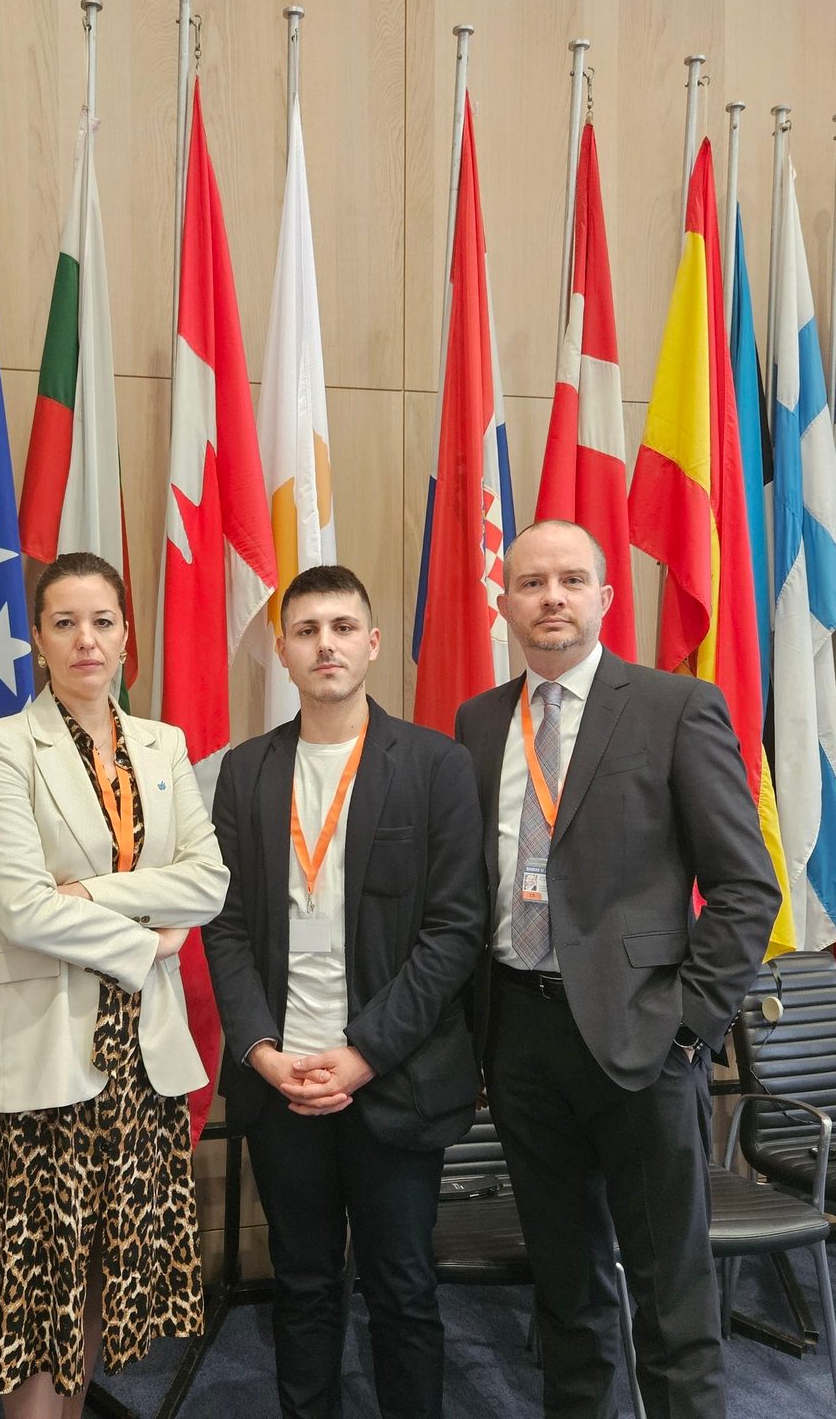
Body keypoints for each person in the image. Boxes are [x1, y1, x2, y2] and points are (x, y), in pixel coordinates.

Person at [456, 519, 779, 1419]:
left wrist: (689, 1024)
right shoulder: (480, 721)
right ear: (505, 602)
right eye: (530, 583)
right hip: (518, 1035)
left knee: (671, 1291)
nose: (549, 597)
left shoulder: (677, 705)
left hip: (643, 1035)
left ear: (604, 597)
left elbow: (748, 887)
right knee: (566, 1286)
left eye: (570, 580)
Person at [203, 565, 486, 1419]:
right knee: (303, 1286)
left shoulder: (438, 766)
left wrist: (362, 1054)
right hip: (280, 1077)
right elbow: (225, 928)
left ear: (370, 644)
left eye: (341, 626)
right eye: (305, 630)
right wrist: (259, 1050)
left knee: (403, 1289)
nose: (324, 643)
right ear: (282, 652)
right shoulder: (244, 773)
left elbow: (453, 932)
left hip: (393, 1076)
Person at [0, 551, 229, 1418]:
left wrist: (91, 897)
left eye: (103, 621)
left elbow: (208, 882)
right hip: (43, 1057)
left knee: (100, 1278)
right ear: (37, 639)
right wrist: (147, 944)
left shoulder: (164, 744)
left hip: (140, 1064)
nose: (86, 640)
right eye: (65, 622)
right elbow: (21, 911)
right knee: (35, 1286)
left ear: (125, 636)